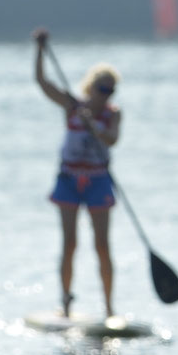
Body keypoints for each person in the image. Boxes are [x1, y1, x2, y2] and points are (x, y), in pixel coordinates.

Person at [32, 28, 122, 319]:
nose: (106, 95)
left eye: (110, 91)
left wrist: (93, 125)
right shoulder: (72, 106)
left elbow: (111, 140)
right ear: (91, 87)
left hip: (97, 180)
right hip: (69, 180)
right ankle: (66, 305)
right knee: (69, 243)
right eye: (102, 89)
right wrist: (40, 51)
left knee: (102, 246)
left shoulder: (113, 113)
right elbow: (43, 83)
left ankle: (109, 308)